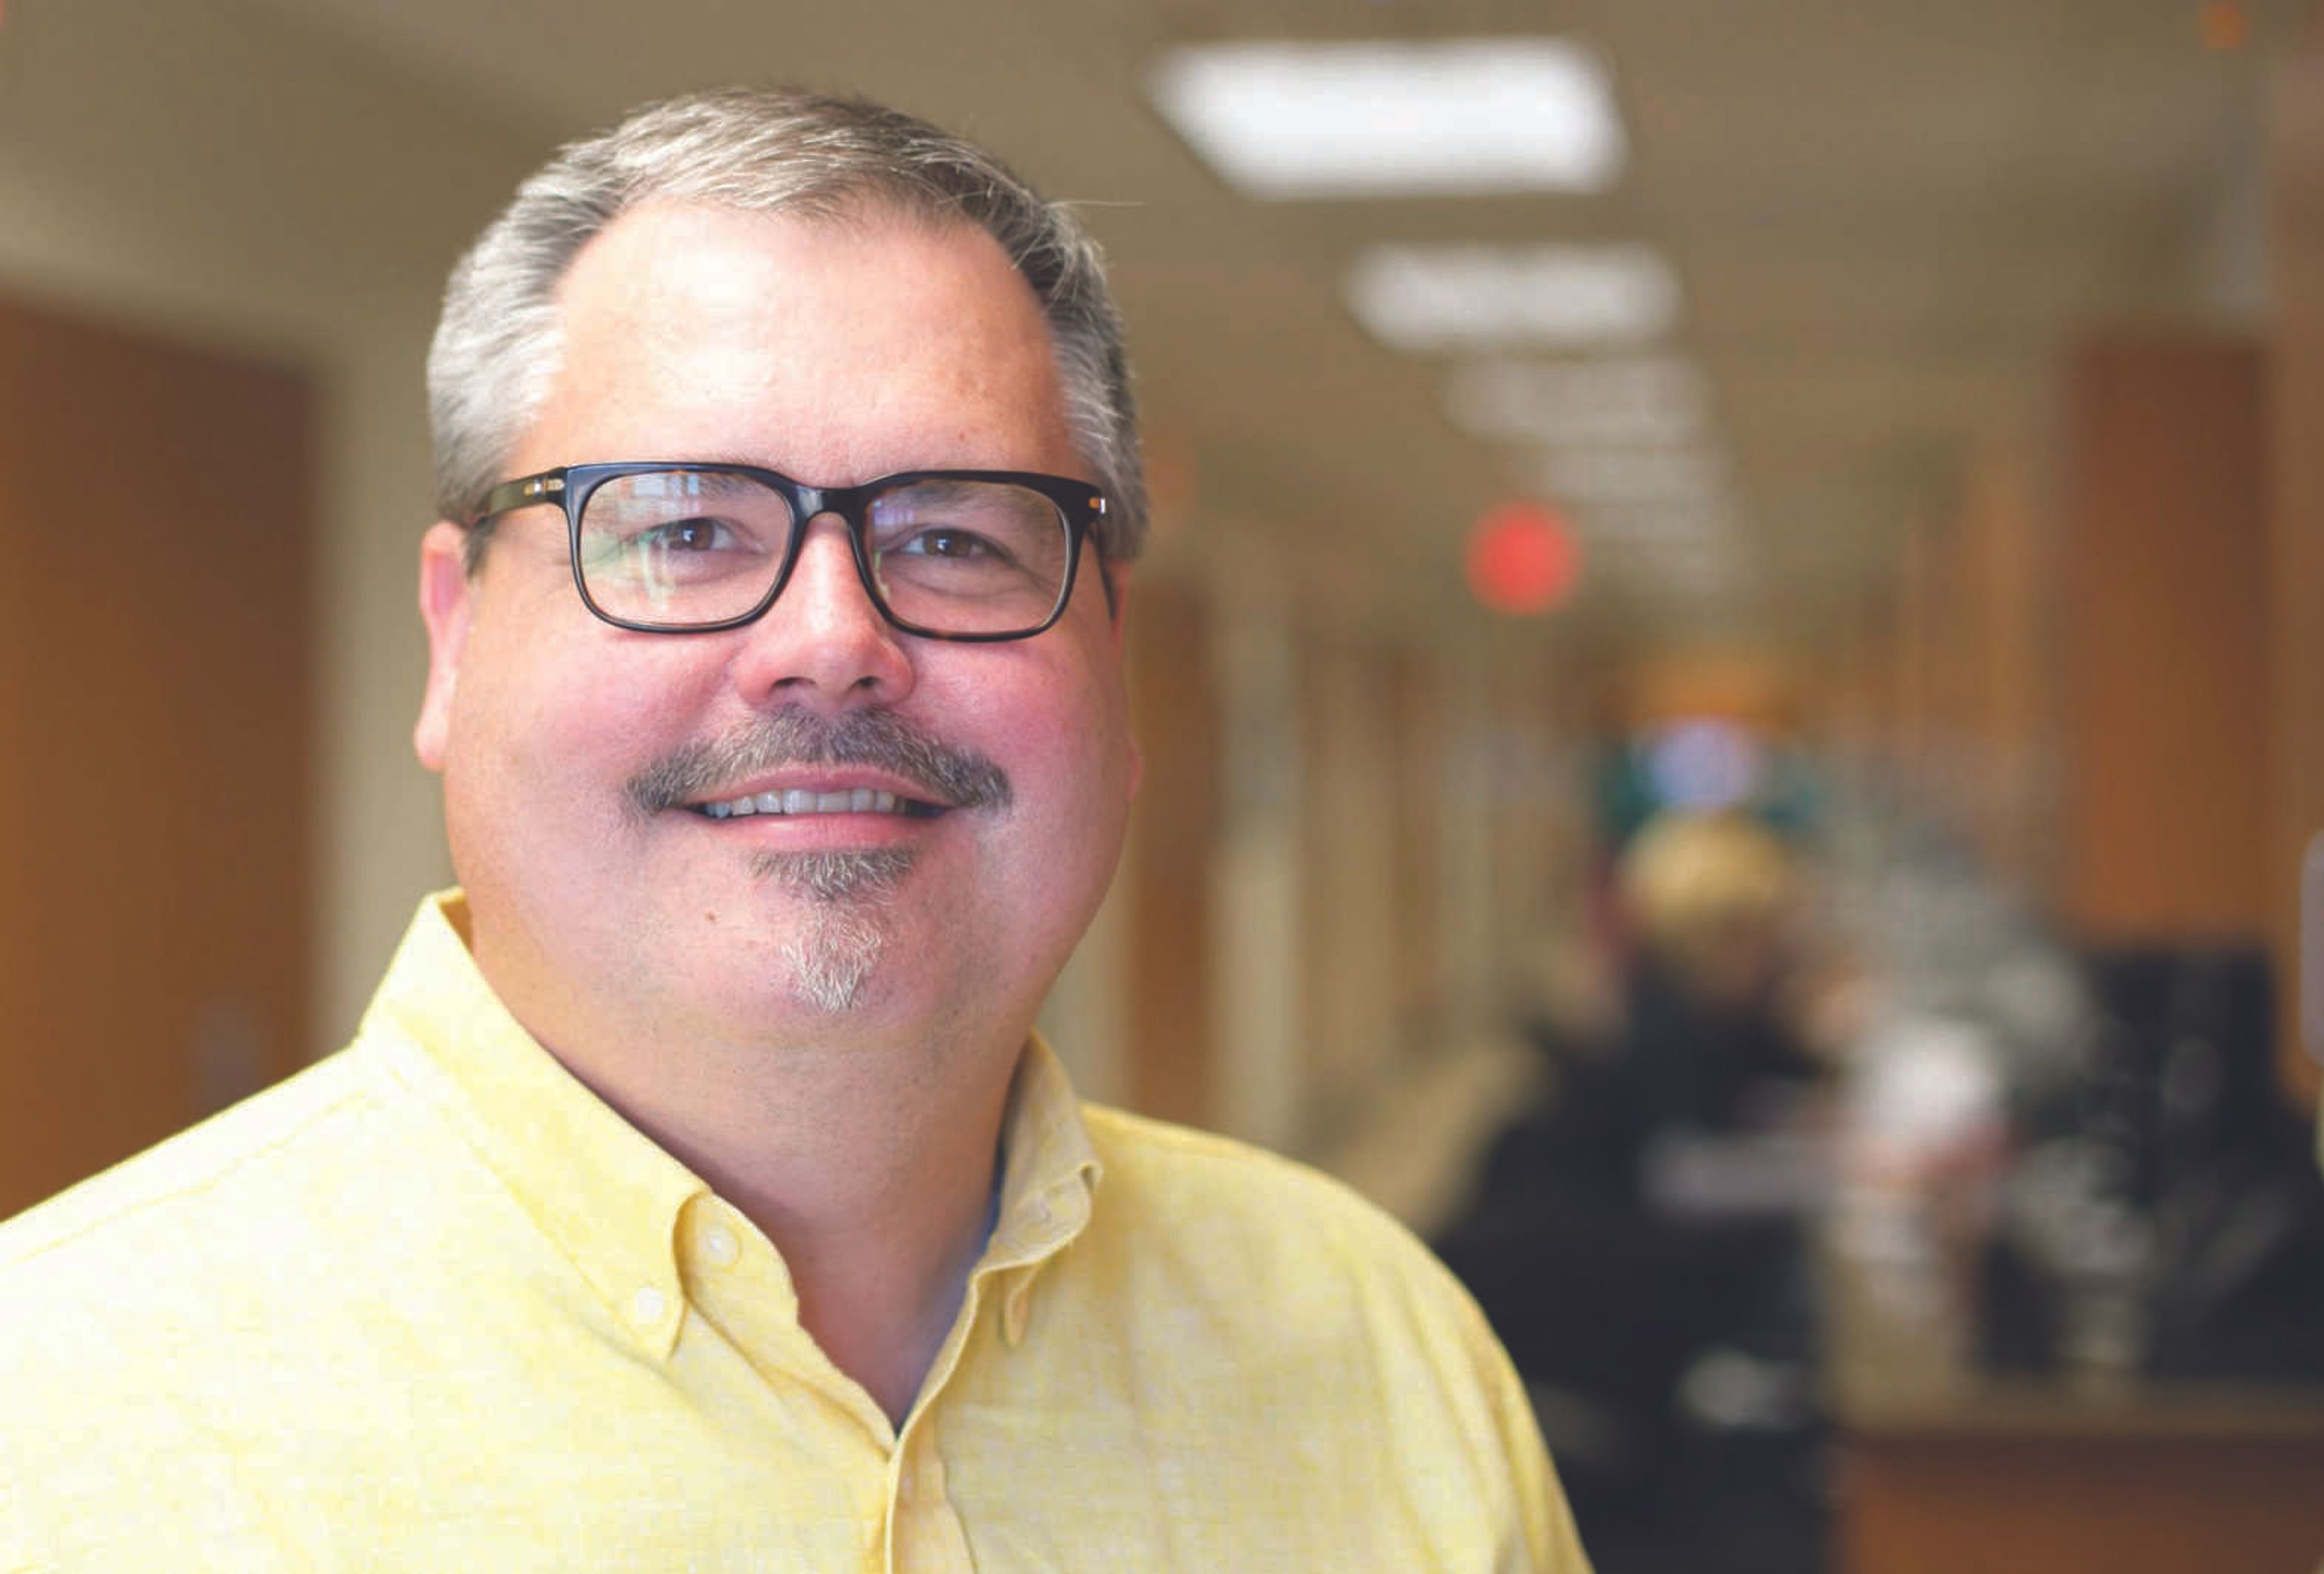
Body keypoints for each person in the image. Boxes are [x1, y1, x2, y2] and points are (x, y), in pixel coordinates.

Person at [0, 87, 1583, 1571]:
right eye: (684, 527)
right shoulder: (55, 1421)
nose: (831, 637)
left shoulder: (1386, 1354)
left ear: (1111, 659)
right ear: (453, 641)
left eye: (955, 537)